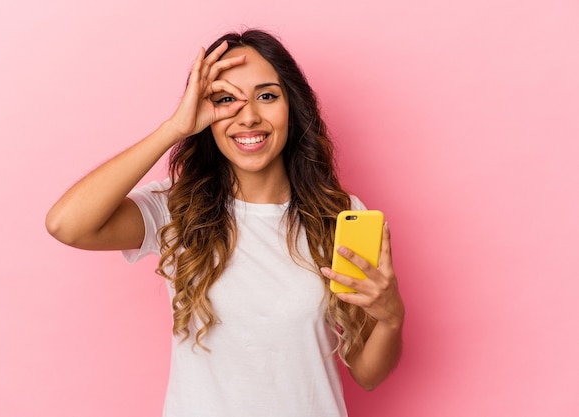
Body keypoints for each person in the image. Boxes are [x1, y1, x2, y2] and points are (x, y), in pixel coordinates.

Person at [46, 29, 404, 417]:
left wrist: (391, 318)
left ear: (292, 107)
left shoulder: (338, 214)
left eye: (267, 96)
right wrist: (175, 127)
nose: (248, 116)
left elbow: (368, 374)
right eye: (226, 99)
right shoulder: (177, 208)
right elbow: (67, 225)